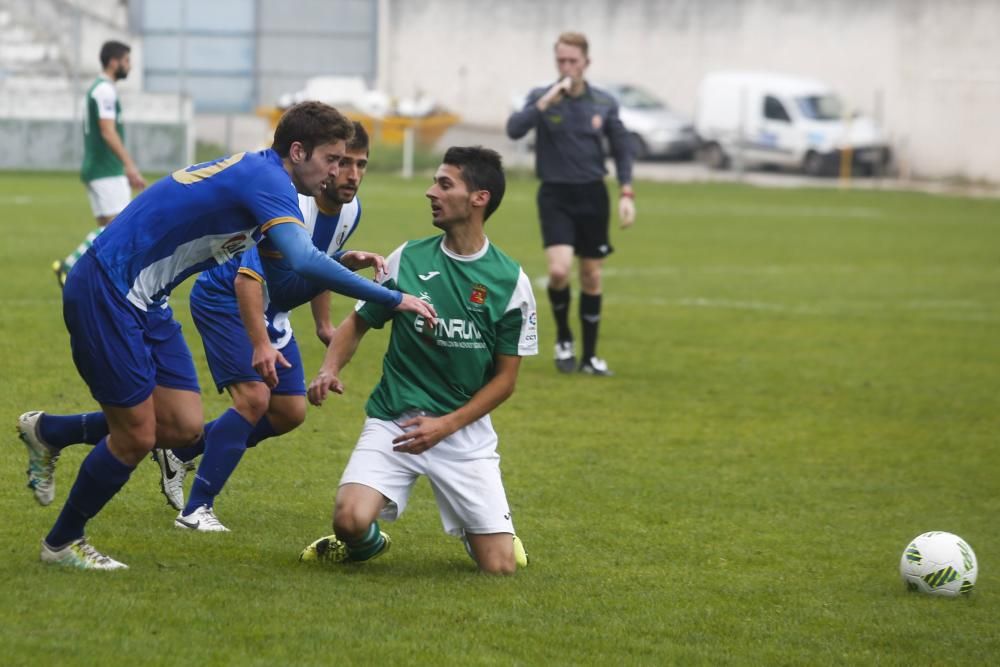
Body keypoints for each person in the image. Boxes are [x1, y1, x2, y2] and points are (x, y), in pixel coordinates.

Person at [17, 101, 436, 570]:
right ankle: (62, 542)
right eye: (332, 159)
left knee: (181, 428)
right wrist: (391, 298)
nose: (338, 171)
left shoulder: (267, 176)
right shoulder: (270, 183)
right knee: (136, 435)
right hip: (108, 288)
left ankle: (50, 430)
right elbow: (300, 260)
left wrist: (338, 266)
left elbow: (294, 272)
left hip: (147, 299)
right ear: (298, 152)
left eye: (346, 161)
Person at [299, 146, 536, 575]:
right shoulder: (407, 258)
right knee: (348, 520)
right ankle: (365, 545)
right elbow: (357, 324)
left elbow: (505, 381)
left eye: (445, 184)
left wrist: (446, 425)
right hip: (395, 419)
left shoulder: (510, 281)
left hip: (462, 433)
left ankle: (482, 531)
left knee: (500, 568)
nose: (431, 192)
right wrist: (328, 369)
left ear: (479, 198)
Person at [150, 122, 377, 530]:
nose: (352, 175)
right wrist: (260, 343)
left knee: (290, 412)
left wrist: (324, 325)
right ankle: (197, 509)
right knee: (254, 400)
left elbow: (318, 264)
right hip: (228, 300)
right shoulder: (290, 202)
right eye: (343, 163)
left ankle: (183, 451)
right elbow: (246, 279)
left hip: (272, 308)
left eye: (361, 165)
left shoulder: (352, 211)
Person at [506, 31, 636, 377]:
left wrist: (626, 192)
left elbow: (622, 148)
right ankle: (564, 338)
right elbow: (515, 130)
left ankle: (590, 357)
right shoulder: (542, 98)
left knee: (591, 275)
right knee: (560, 271)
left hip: (593, 194)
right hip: (555, 194)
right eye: (561, 61)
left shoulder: (603, 103)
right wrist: (546, 101)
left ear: (586, 63)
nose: (566, 67)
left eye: (572, 61)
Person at [54, 40, 146, 287]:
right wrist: (129, 165)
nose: (129, 65)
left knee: (110, 230)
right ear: (114, 62)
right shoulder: (104, 90)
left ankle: (100, 278)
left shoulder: (100, 89)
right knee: (119, 228)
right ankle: (69, 266)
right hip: (106, 169)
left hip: (100, 168)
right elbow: (107, 131)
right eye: (126, 60)